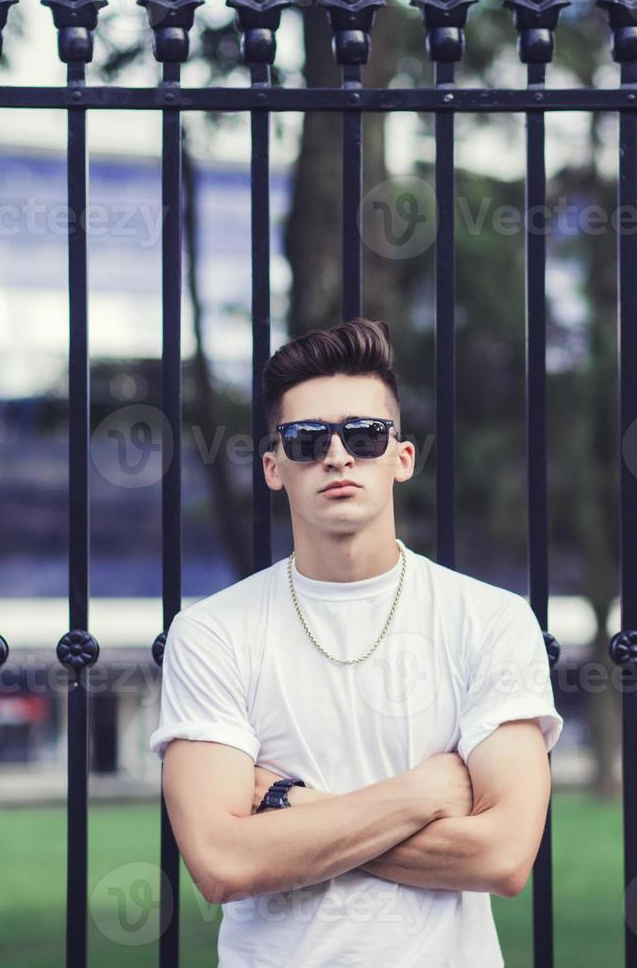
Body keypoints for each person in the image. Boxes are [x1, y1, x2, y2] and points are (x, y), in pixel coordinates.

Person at [149, 317, 564, 967]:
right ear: (273, 467)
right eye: (306, 439)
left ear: (401, 457)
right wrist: (424, 795)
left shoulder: (491, 619)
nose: (337, 456)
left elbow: (503, 857)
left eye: (364, 435)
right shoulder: (212, 633)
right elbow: (222, 863)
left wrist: (287, 807)